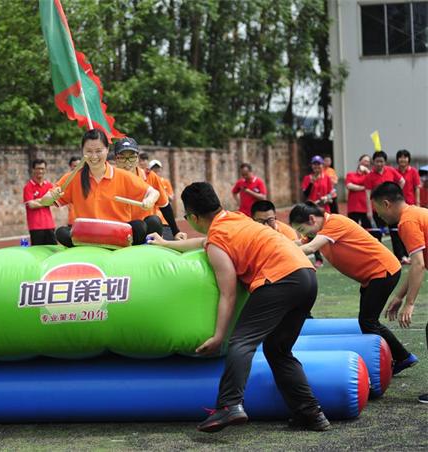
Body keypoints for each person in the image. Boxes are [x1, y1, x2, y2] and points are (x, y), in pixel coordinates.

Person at [148, 182, 328, 432]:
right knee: (278, 350)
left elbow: (228, 292)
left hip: (279, 279)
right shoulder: (235, 219)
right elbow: (204, 242)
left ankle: (230, 404)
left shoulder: (218, 240)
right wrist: (166, 244)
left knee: (241, 342)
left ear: (194, 217)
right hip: (306, 277)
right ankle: (311, 414)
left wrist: (219, 336)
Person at [289, 202, 417, 373]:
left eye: (302, 229)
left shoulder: (334, 222)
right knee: (367, 321)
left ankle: (403, 357)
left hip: (383, 271)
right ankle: (397, 357)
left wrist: (282, 252)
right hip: (371, 277)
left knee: (368, 321)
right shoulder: (318, 230)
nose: (304, 234)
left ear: (312, 219)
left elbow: (310, 248)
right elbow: (300, 243)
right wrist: (279, 244)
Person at [40, 129, 159, 247]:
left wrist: (149, 200)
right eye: (89, 151)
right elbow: (44, 201)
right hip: (88, 235)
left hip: (117, 234)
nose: (94, 156)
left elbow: (153, 192)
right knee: (61, 232)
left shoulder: (123, 176)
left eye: (98, 151)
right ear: (82, 151)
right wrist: (51, 197)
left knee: (139, 226)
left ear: (107, 150)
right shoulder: (73, 177)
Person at [371, 182, 427, 403]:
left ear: (386, 204)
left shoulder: (407, 222)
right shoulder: (415, 214)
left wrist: (409, 303)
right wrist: (399, 296)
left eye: (378, 210)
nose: (379, 216)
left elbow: (418, 264)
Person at [112, 138, 185, 241]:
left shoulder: (150, 176)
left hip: (147, 227)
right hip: (122, 229)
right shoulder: (110, 179)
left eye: (132, 157)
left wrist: (176, 231)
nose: (127, 162)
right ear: (116, 159)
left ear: (138, 158)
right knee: (138, 226)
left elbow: (164, 205)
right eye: (122, 158)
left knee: (154, 221)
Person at [365, 151, 406, 262]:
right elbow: (367, 194)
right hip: (378, 210)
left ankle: (400, 256)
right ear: (373, 162)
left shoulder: (391, 171)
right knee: (377, 234)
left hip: (392, 210)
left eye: (381, 161)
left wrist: (396, 195)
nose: (379, 164)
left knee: (395, 233)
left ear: (385, 162)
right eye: (377, 161)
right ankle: (377, 257)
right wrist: (369, 211)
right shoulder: (369, 176)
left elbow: (402, 181)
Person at [301, 155, 333, 268]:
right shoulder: (307, 178)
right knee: (311, 234)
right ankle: (318, 258)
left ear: (322, 165)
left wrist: (326, 198)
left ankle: (332, 256)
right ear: (312, 166)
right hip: (311, 211)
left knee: (327, 233)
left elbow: (331, 194)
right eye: (314, 164)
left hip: (324, 210)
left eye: (318, 164)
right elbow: (305, 194)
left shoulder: (327, 178)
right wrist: (311, 183)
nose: (316, 166)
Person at [23, 159, 57, 245]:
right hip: (35, 226)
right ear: (33, 170)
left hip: (49, 225)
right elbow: (31, 205)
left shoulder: (49, 186)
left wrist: (37, 201)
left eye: (42, 168)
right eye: (38, 168)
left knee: (53, 250)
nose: (40, 171)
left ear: (45, 170)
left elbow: (54, 202)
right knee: (37, 251)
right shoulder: (28, 187)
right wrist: (46, 201)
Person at [149, 159, 179, 240]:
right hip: (153, 218)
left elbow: (171, 198)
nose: (156, 171)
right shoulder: (148, 182)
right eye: (154, 169)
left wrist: (162, 192)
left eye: (158, 169)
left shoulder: (165, 182)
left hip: (164, 219)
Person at [345, 154, 372, 230]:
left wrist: (367, 171)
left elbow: (373, 182)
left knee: (369, 230)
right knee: (353, 230)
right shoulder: (350, 174)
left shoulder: (369, 175)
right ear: (359, 162)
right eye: (364, 160)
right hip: (353, 207)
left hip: (366, 207)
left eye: (368, 161)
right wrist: (364, 187)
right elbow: (349, 186)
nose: (366, 163)